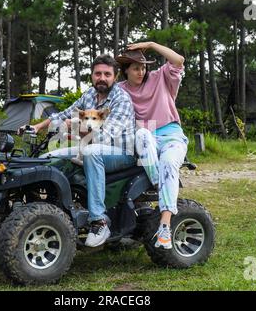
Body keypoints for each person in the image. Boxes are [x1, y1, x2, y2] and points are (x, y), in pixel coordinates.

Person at [18, 54, 136, 247]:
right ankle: (43, 207)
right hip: (92, 145)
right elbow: (64, 114)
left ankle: (99, 220)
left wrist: (72, 127)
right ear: (92, 75)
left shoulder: (120, 99)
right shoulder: (90, 94)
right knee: (49, 157)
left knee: (92, 153)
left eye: (107, 74)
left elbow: (106, 135)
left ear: (115, 77)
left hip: (121, 152)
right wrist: (38, 127)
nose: (102, 78)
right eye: (98, 73)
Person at [115, 42, 188, 250]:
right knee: (142, 134)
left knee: (168, 162)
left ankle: (164, 227)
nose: (141, 71)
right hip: (146, 141)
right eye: (136, 68)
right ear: (126, 70)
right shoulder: (120, 91)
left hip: (171, 135)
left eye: (143, 67)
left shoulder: (160, 78)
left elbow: (178, 61)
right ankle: (159, 183)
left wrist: (151, 44)